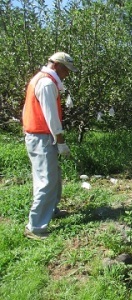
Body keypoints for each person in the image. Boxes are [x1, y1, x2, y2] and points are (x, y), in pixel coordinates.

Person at [22, 52, 77, 240]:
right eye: (65, 69)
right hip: (41, 137)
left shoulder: (43, 79)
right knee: (45, 180)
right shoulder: (46, 84)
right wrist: (61, 142)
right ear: (55, 65)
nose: (67, 74)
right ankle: (35, 226)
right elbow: (52, 118)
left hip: (41, 135)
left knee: (54, 175)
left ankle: (51, 210)